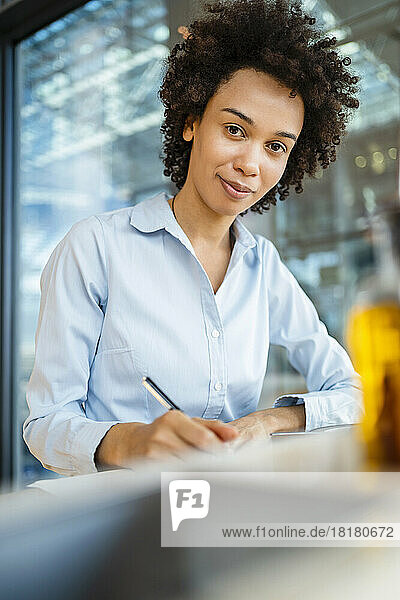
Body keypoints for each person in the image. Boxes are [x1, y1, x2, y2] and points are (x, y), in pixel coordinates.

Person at [23, 0, 363, 477]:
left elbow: (353, 393)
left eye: (276, 146)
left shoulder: (261, 264)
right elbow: (45, 425)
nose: (251, 164)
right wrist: (134, 441)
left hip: (226, 507)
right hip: (123, 518)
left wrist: (266, 422)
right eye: (234, 129)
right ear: (190, 123)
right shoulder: (95, 248)